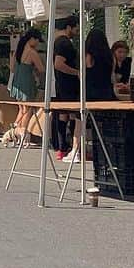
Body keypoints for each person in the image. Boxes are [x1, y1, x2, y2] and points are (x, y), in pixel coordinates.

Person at [51, 16, 80, 162]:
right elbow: (58, 64)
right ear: (69, 27)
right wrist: (77, 73)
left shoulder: (57, 42)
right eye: (76, 28)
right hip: (68, 84)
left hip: (61, 84)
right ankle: (68, 147)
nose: (77, 31)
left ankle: (62, 148)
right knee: (73, 115)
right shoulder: (64, 43)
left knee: (63, 114)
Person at [8, 28, 43, 145]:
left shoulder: (17, 51)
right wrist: (34, 72)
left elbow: (12, 68)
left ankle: (15, 133)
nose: (38, 43)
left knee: (21, 110)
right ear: (32, 39)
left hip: (17, 82)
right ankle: (22, 134)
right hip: (27, 82)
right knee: (27, 111)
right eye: (37, 40)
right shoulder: (31, 52)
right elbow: (42, 68)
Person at [85, 28, 117, 101]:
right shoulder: (110, 56)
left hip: (92, 90)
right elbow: (112, 73)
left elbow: (88, 67)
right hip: (107, 89)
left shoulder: (89, 55)